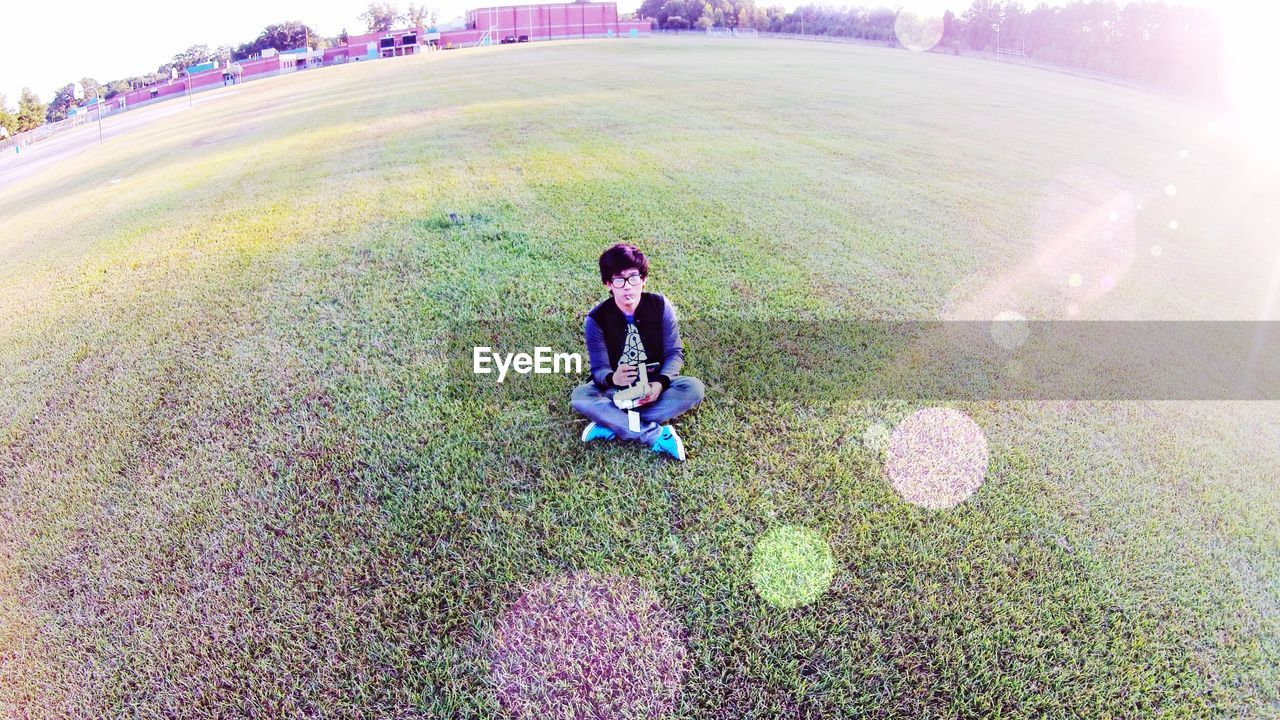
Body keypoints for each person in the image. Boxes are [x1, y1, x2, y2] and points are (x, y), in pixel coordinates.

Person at [571, 243, 705, 460]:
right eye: (618, 280)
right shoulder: (595, 319)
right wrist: (613, 377)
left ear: (643, 279)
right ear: (608, 284)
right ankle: (656, 435)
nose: (627, 287)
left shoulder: (661, 306)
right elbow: (598, 369)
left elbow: (674, 353)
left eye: (633, 278)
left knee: (693, 387)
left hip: (653, 387)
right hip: (617, 393)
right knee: (581, 397)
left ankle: (612, 423)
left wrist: (660, 384)